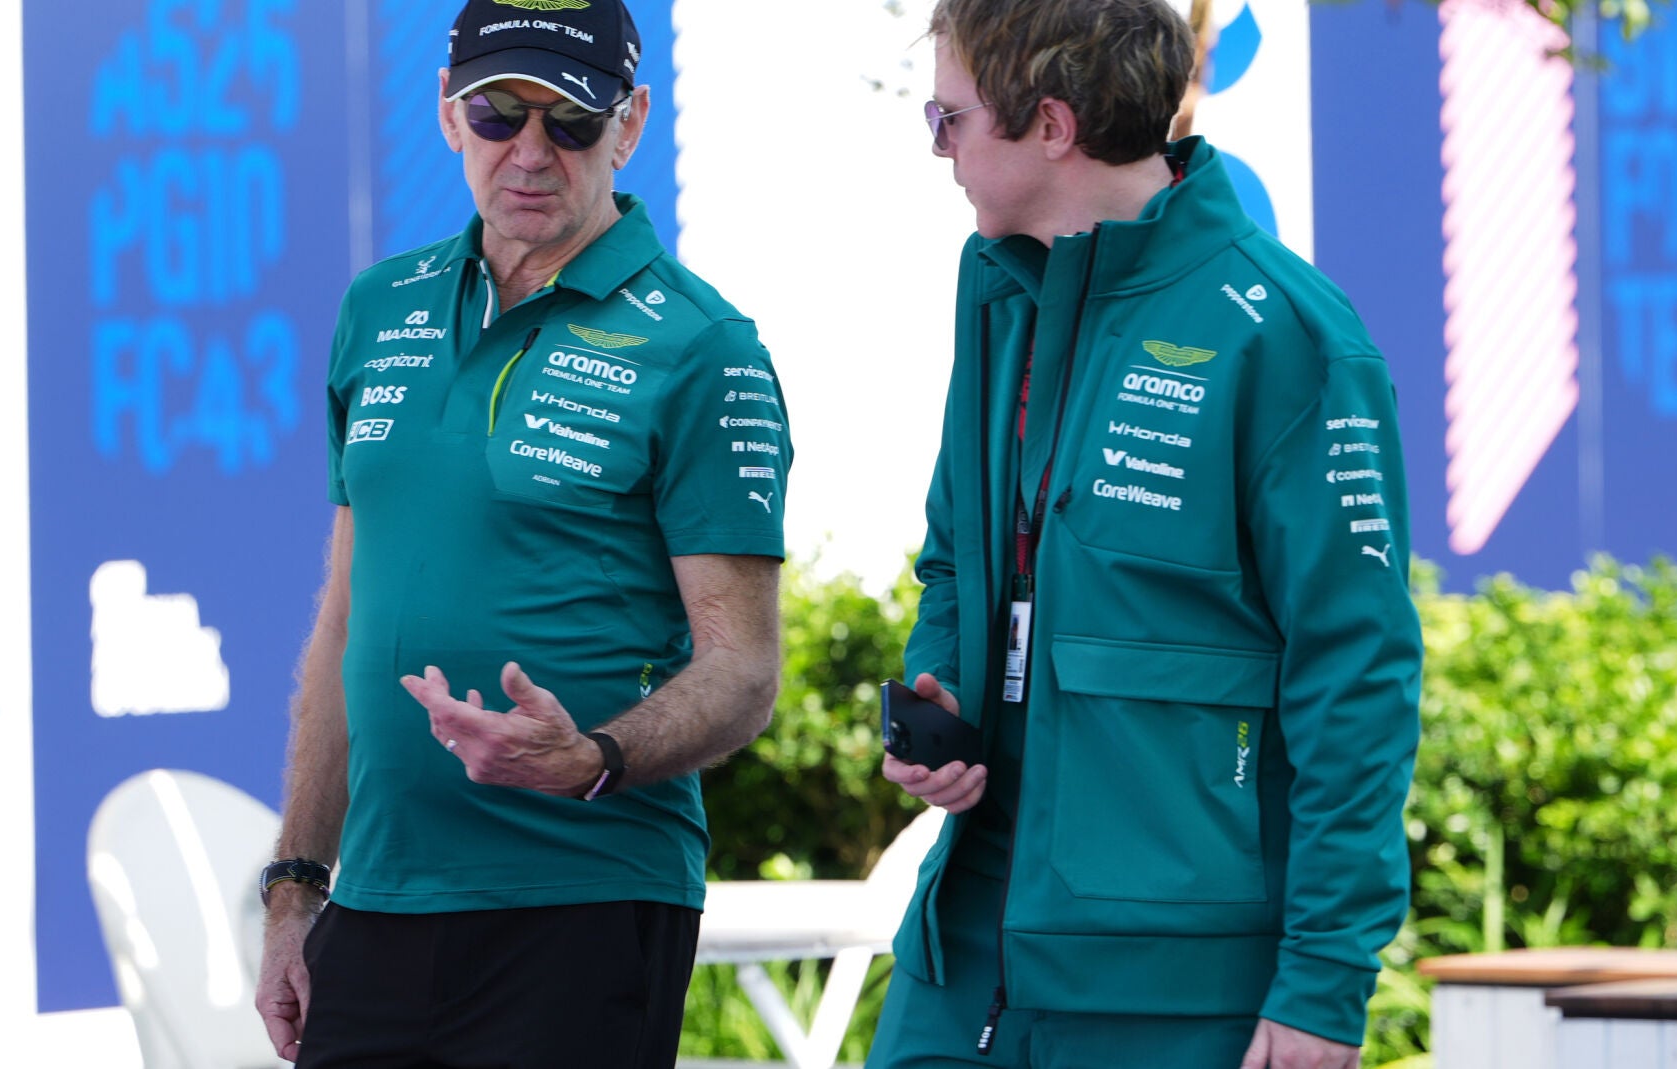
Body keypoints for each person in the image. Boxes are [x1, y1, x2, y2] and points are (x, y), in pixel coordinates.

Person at [871, 2, 1422, 1067]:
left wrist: (1323, 985)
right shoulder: (997, 289)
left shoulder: (1288, 333)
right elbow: (955, 558)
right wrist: (944, 694)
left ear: (1052, 125)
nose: (939, 150)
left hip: (1174, 986)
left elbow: (1356, 675)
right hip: (963, 948)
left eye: (949, 119)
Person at [253, 3, 791, 1066]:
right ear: (448, 113)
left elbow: (744, 670)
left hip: (581, 903)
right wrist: (295, 886)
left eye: (572, 121)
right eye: (499, 113)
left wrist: (592, 757)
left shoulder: (704, 346)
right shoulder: (379, 308)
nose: (531, 152)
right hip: (381, 900)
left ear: (631, 124)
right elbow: (345, 623)